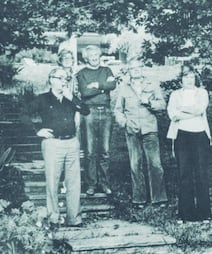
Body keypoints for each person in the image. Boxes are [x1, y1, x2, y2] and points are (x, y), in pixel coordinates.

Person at [25, 67, 89, 227]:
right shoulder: (42, 99)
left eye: (66, 79)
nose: (63, 82)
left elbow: (86, 111)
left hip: (72, 143)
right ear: (51, 79)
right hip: (53, 144)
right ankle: (53, 217)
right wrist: (37, 130)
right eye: (60, 78)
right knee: (52, 181)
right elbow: (23, 113)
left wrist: (72, 97)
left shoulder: (70, 98)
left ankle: (73, 218)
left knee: (74, 182)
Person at [114, 60, 168, 209]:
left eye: (138, 68)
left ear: (142, 69)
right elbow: (118, 109)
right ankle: (139, 199)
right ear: (129, 71)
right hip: (132, 130)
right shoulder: (124, 88)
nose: (136, 70)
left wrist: (150, 103)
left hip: (149, 129)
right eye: (133, 68)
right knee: (135, 165)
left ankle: (159, 198)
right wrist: (123, 122)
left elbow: (162, 105)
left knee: (155, 164)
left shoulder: (152, 84)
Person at [166, 64, 212, 224]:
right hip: (181, 136)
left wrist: (182, 111)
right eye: (185, 77)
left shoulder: (202, 92)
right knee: (184, 174)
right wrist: (187, 112)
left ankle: (204, 213)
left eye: (191, 76)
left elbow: (200, 110)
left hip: (200, 134)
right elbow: (172, 114)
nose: (189, 80)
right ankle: (185, 214)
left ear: (196, 78)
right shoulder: (175, 94)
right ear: (181, 80)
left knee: (201, 173)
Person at [77, 45, 116, 196]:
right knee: (90, 151)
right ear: (86, 57)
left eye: (96, 54)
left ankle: (105, 184)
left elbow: (112, 85)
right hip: (89, 112)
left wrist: (97, 85)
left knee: (105, 151)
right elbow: (84, 92)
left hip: (105, 111)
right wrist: (102, 89)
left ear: (100, 55)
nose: (94, 57)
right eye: (91, 55)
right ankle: (91, 184)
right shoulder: (82, 73)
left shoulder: (107, 70)